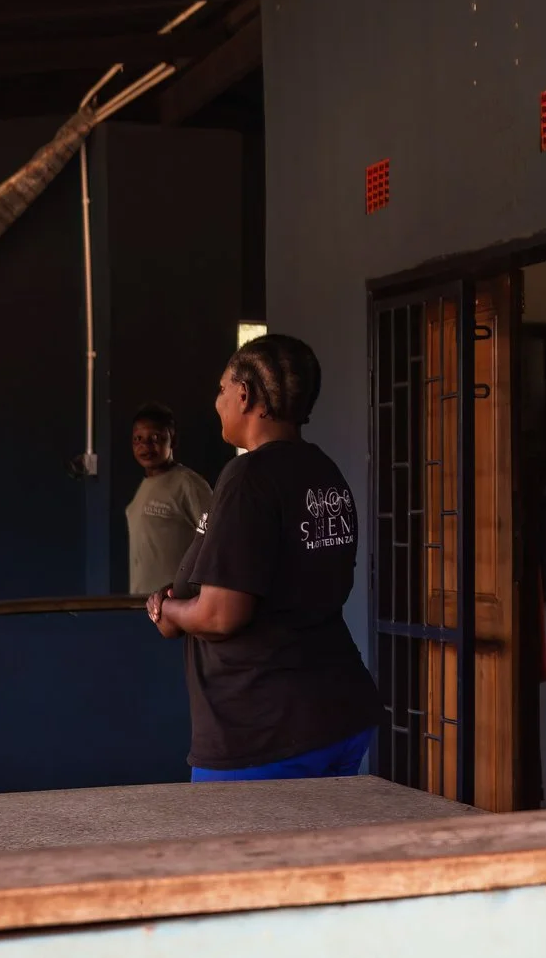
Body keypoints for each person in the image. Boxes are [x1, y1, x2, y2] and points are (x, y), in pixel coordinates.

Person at [147, 334, 381, 780]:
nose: (217, 401)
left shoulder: (249, 476)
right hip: (337, 712)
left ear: (244, 394)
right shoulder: (322, 469)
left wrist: (167, 610)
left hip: (264, 730)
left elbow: (221, 615)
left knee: (229, 831)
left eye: (222, 389)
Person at [126, 404, 212, 596]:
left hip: (178, 603)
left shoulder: (188, 483)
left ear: (173, 440)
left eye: (155, 438)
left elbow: (217, 540)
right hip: (142, 604)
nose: (145, 446)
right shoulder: (145, 486)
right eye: (138, 439)